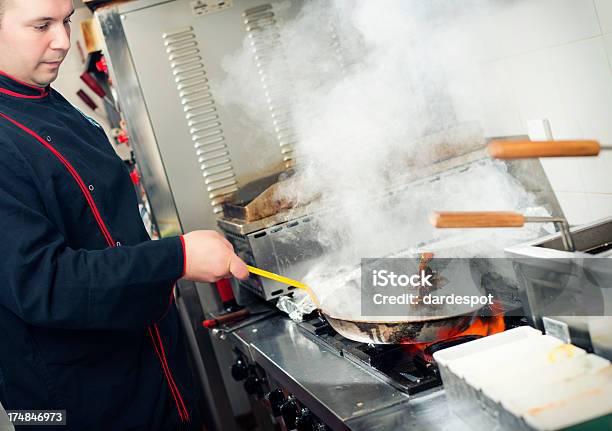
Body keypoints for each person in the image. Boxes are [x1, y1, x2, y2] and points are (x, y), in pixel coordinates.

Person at [0, 0, 249, 429]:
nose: (63, 41)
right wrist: (176, 259)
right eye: (41, 25)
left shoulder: (42, 98)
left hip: (148, 374)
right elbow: (44, 283)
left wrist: (152, 276)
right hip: (73, 408)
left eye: (65, 21)